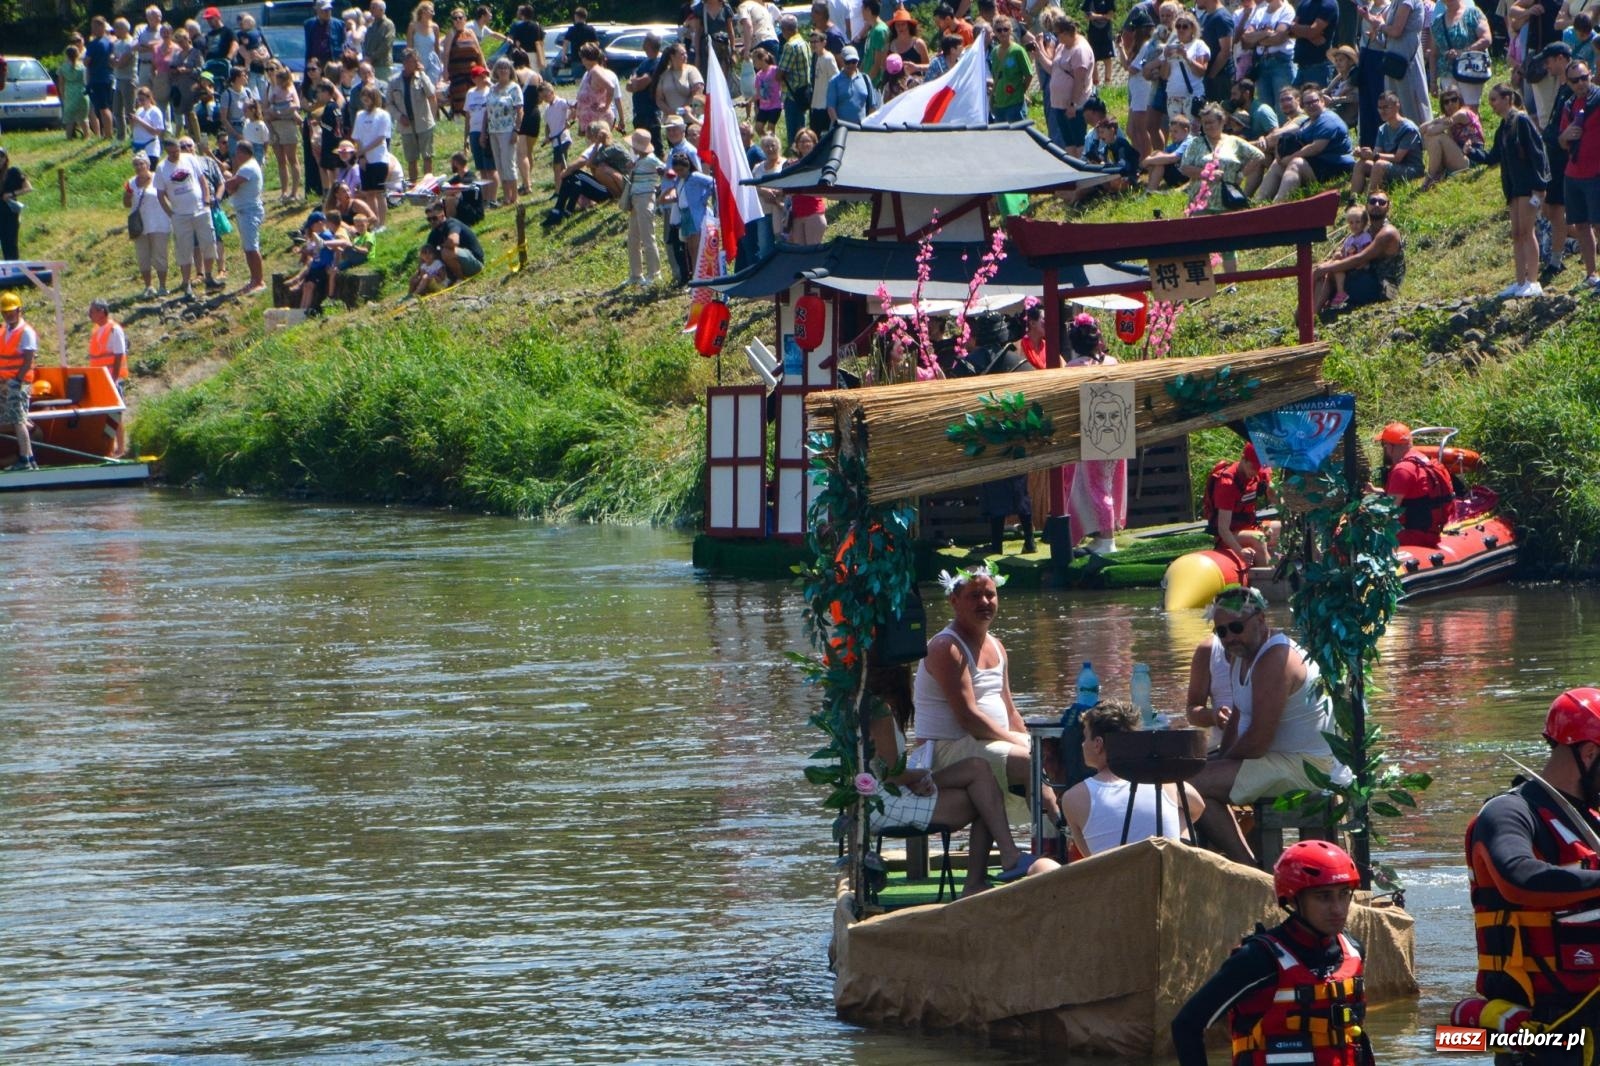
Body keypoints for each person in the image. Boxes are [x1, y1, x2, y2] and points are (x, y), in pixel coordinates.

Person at [1461, 688, 1600, 1061]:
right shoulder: (1509, 813)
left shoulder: (1594, 822)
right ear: (1589, 754)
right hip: (1542, 1029)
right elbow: (1518, 878)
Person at [1171, 841, 1368, 1066]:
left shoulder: (1353, 950)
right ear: (1293, 900)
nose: (1338, 909)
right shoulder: (1257, 959)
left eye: (1343, 894)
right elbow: (1186, 1025)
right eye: (1323, 897)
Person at [1189, 585, 1347, 864]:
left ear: (1260, 620)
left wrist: (1217, 767)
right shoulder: (1245, 656)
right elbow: (1238, 720)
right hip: (1279, 759)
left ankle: (1249, 869)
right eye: (1221, 632)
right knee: (1191, 772)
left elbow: (1259, 740)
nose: (1229, 638)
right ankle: (1246, 862)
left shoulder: (1275, 659)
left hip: (1308, 767)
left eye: (1236, 627)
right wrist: (1220, 759)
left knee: (1192, 784)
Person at [864, 665, 1044, 895]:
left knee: (978, 770)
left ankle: (1002, 861)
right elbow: (893, 775)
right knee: (986, 799)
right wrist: (920, 775)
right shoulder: (881, 712)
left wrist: (920, 777)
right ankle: (991, 870)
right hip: (886, 804)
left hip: (892, 793)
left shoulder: (865, 706)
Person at [911, 565, 1060, 826]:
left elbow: (1010, 710)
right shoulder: (947, 647)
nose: (984, 602)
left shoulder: (996, 645)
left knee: (1056, 752)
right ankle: (1053, 840)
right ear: (953, 601)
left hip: (984, 744)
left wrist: (1031, 738)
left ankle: (1065, 844)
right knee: (1029, 760)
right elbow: (969, 718)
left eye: (990, 595)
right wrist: (1021, 744)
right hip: (944, 752)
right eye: (974, 595)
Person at [1063, 700, 1206, 857]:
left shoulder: (1073, 798)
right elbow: (1198, 806)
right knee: (1179, 812)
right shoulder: (1165, 782)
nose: (1083, 745)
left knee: (1043, 865)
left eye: (1085, 737)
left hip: (1117, 877)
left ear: (1098, 744)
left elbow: (1089, 857)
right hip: (1164, 872)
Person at [1060, 314, 1127, 554]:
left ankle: (1107, 539)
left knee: (1097, 487)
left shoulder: (1073, 368)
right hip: (1117, 428)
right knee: (1108, 483)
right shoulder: (1112, 362)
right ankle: (1103, 534)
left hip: (1094, 429)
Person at [1481, 83, 1552, 298]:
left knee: (1527, 231)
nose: (1491, 104)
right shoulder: (1503, 127)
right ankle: (1520, 281)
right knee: (1516, 234)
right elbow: (1493, 157)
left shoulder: (1521, 121)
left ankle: (1533, 280)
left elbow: (1538, 153)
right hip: (1513, 188)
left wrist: (1540, 186)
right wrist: (1470, 152)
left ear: (1507, 98)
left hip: (1528, 185)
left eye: (1494, 99)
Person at [1255, 88, 1354, 201]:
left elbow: (1315, 148)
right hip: (1317, 166)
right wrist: (1280, 157)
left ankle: (1279, 203)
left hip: (1335, 167)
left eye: (1314, 101)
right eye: (1307, 103)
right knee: (1277, 165)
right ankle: (1259, 202)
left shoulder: (1328, 120)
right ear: (1303, 106)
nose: (1311, 105)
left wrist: (1290, 158)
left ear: (1322, 101)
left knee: (1296, 163)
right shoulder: (1306, 122)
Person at [1315, 189, 1404, 308]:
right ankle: (1307, 316)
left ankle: (1311, 316)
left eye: (1382, 202)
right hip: (1367, 277)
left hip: (1385, 287)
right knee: (1322, 271)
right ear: (1367, 206)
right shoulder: (1365, 231)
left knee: (1329, 273)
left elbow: (1361, 258)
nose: (1377, 204)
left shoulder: (1388, 233)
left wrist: (1327, 267)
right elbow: (1348, 252)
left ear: (1388, 207)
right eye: (1373, 201)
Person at [154, 137, 218, 299]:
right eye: (171, 153)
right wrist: (171, 213)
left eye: (176, 151)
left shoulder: (189, 159)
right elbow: (160, 195)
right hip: (180, 214)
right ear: (166, 152)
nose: (175, 155)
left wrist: (207, 200)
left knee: (209, 242)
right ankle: (187, 283)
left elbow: (202, 180)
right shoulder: (162, 168)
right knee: (184, 249)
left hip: (200, 209)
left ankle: (209, 276)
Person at [1373, 421, 1455, 546]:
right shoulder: (1422, 459)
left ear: (1389, 446)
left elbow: (1389, 513)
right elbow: (1411, 496)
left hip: (1412, 536)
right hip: (1431, 531)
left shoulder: (1402, 470)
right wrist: (1374, 491)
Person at [1557, 61, 1600, 291]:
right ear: (1568, 83)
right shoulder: (1569, 105)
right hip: (1573, 173)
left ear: (1590, 75)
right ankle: (1591, 274)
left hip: (1596, 172)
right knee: (1581, 225)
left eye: (1584, 77)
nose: (1581, 83)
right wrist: (1566, 135)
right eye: (1575, 80)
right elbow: (1562, 142)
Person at [1181, 104, 1267, 213]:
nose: (1207, 126)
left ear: (1222, 121)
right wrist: (1207, 173)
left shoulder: (1234, 142)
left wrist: (1241, 175)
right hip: (1201, 207)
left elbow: (1259, 156)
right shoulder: (1196, 143)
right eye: (1204, 123)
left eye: (1211, 122)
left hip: (1228, 204)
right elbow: (1184, 168)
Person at [1203, 441, 1277, 563]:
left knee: (1282, 528)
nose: (1254, 472)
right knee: (1259, 538)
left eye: (1258, 469)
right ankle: (1271, 577)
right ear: (1243, 459)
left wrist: (1274, 490)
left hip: (1251, 526)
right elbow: (1223, 529)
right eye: (1253, 467)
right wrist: (1240, 551)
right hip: (1229, 535)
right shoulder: (1227, 484)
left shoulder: (1259, 473)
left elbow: (1274, 497)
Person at [1349, 91, 1422, 195]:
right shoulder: (1382, 129)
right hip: (1389, 167)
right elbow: (1376, 155)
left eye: (1386, 107)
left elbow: (1398, 158)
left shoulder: (1409, 129)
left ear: (1397, 106)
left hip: (1411, 169)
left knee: (1379, 165)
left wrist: (1374, 156)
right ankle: (1353, 201)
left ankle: (1370, 201)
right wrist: (1363, 154)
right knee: (1361, 164)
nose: (1382, 111)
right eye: (1379, 108)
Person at [85, 299, 130, 457]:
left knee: (115, 414)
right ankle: (108, 448)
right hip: (101, 379)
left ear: (101, 311)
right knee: (105, 415)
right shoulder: (97, 330)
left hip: (112, 379)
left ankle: (120, 448)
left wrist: (114, 378)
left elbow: (119, 355)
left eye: (92, 311)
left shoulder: (114, 329)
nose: (89, 314)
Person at [1043, 16, 1094, 153]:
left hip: (1074, 106)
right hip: (1059, 104)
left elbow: (1079, 80)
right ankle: (1074, 169)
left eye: (1057, 33)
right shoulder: (1062, 46)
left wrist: (1073, 104)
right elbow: (1053, 69)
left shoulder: (1080, 50)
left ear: (1066, 33)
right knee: (1069, 143)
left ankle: (1083, 170)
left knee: (1079, 142)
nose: (1056, 37)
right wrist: (1038, 54)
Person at [1427, 0, 1492, 108]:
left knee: (1470, 110)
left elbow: (1486, 39)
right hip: (1446, 73)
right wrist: (1433, 82)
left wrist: (1462, 52)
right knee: (1451, 112)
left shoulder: (1473, 14)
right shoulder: (1437, 22)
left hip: (1470, 70)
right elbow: (1433, 54)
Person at [0, 291, 38, 471]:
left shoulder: (26, 332)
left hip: (18, 383)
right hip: (5, 383)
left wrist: (17, 380)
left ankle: (25, 459)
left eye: (11, 311)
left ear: (19, 310)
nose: (8, 315)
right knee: (13, 419)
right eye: (5, 312)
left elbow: (28, 359)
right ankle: (29, 457)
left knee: (18, 419)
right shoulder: (4, 331)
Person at [388, 49, 439, 184]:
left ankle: (429, 184)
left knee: (427, 156)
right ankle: (413, 186)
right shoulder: (394, 82)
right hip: (406, 125)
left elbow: (431, 92)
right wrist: (399, 117)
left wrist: (422, 73)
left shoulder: (421, 77)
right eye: (412, 61)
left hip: (423, 123)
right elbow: (389, 104)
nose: (415, 64)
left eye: (416, 61)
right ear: (405, 63)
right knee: (411, 158)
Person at [1242, 0, 1298, 121]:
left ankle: (1285, 138)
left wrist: (1257, 39)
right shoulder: (1260, 11)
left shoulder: (1287, 10)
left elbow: (1279, 37)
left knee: (1283, 106)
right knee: (1265, 108)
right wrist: (1265, 33)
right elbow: (1246, 37)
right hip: (1261, 63)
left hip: (1281, 62)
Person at [125, 152, 170, 297]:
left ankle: (162, 286)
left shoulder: (158, 178)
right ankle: (148, 286)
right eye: (136, 164)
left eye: (141, 164)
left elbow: (168, 196)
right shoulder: (131, 182)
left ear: (147, 165)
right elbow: (126, 204)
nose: (139, 167)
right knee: (143, 256)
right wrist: (128, 195)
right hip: (140, 225)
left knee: (160, 254)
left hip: (158, 222)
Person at [1419, 87, 1484, 188]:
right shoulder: (1449, 118)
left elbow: (1432, 130)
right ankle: (1436, 173)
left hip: (1471, 159)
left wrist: (1439, 121)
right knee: (1431, 136)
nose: (1450, 104)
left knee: (1438, 137)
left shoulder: (1461, 114)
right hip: (1459, 155)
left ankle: (1431, 176)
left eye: (1454, 100)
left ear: (1460, 100)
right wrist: (1437, 120)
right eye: (1446, 102)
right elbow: (1421, 129)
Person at [1381, 0, 1432, 124]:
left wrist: (1380, 25)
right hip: (1393, 63)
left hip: (1407, 63)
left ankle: (1418, 139)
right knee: (1394, 103)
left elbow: (1396, 30)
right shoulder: (1395, 2)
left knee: (1411, 104)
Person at [225, 142, 266, 295]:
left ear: (243, 153)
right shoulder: (247, 166)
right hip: (245, 211)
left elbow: (232, 185)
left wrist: (226, 177)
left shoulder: (248, 167)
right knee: (248, 248)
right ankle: (254, 279)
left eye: (237, 153)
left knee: (252, 248)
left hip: (249, 211)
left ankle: (258, 281)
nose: (235, 156)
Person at [625, 127, 664, 287]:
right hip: (636, 199)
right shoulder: (641, 159)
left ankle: (654, 274)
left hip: (645, 198)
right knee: (633, 238)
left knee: (648, 237)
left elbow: (666, 170)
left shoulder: (651, 160)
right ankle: (636, 274)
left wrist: (658, 187)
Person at [1316, 203, 1373, 309]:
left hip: (1359, 264)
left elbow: (1366, 251)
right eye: (1351, 223)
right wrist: (1339, 254)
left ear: (1364, 223)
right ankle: (1327, 296)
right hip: (1349, 263)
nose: (1354, 225)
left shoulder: (1365, 237)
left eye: (1357, 222)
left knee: (1336, 266)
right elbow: (1343, 251)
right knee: (1334, 261)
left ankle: (1340, 292)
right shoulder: (1350, 239)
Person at [484, 59, 523, 208]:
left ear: (510, 70)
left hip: (508, 130)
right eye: (500, 68)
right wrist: (484, 131)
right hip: (493, 130)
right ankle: (506, 195)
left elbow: (520, 110)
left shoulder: (514, 88)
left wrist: (516, 130)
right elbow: (487, 111)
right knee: (499, 165)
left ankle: (515, 196)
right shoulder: (492, 89)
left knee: (509, 163)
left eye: (506, 68)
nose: (503, 71)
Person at [424, 197, 484, 282]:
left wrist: (440, 247)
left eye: (434, 218)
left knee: (446, 252)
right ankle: (450, 279)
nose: (432, 222)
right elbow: (427, 252)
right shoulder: (434, 233)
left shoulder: (451, 223)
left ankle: (461, 279)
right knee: (431, 255)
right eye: (429, 219)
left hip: (475, 263)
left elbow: (453, 242)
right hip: (460, 263)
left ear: (442, 215)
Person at [443, 8, 485, 118]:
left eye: (460, 18)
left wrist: (484, 68)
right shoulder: (451, 34)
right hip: (457, 74)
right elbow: (446, 54)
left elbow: (479, 51)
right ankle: (461, 120)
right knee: (461, 100)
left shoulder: (470, 32)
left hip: (472, 73)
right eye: (455, 18)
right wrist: (445, 71)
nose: (458, 20)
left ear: (465, 19)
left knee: (475, 98)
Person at [988, 17, 1033, 121]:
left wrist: (1021, 91)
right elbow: (996, 77)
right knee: (1001, 136)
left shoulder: (1018, 51)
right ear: (994, 32)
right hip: (999, 104)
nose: (1003, 33)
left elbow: (1029, 75)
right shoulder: (994, 52)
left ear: (1011, 30)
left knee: (1018, 135)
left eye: (1006, 29)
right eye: (999, 30)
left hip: (1015, 104)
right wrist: (992, 99)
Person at [1291, 0, 1339, 87]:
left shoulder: (1328, 4)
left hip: (1319, 67)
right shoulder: (1304, 3)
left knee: (1316, 99)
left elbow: (1312, 31)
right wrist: (1309, 33)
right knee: (1295, 99)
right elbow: (1291, 30)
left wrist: (1302, 31)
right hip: (1301, 66)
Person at [574, 43, 620, 134]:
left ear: (586, 58)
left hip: (598, 122)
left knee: (598, 147)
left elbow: (611, 87)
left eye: (582, 57)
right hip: (590, 123)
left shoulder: (596, 71)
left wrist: (606, 106)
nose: (581, 60)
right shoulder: (590, 72)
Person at [827, 46, 878, 124]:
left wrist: (867, 125)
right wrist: (837, 125)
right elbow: (831, 108)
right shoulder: (834, 81)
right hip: (842, 130)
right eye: (848, 62)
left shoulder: (865, 79)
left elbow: (873, 106)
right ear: (842, 60)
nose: (851, 65)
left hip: (860, 129)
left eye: (854, 61)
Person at [87, 16, 116, 140]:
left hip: (98, 78)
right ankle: (107, 132)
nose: (92, 29)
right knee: (107, 106)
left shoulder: (94, 44)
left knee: (103, 108)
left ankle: (108, 134)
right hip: (109, 77)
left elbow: (87, 61)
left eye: (94, 26)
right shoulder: (110, 42)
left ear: (100, 27)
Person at [541, 83, 574, 190]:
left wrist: (568, 120)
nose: (545, 99)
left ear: (552, 92)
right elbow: (547, 125)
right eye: (543, 97)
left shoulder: (561, 102)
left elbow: (574, 108)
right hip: (555, 141)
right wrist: (547, 136)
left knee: (557, 165)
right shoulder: (547, 108)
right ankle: (566, 187)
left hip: (563, 139)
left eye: (546, 96)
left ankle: (559, 190)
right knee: (562, 165)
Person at [809, 30, 841, 132]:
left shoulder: (828, 58)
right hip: (816, 104)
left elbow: (836, 79)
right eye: (811, 42)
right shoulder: (816, 57)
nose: (813, 44)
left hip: (825, 105)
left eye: (816, 42)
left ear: (824, 43)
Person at [305, 0, 348, 68]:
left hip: (335, 63)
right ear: (317, 11)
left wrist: (341, 60)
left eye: (329, 9)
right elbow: (309, 45)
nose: (327, 12)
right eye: (324, 10)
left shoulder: (339, 24)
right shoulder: (309, 24)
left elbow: (345, 44)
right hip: (317, 64)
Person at [60, 45, 90, 141]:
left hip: (70, 92)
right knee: (83, 117)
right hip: (82, 92)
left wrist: (62, 95)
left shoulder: (63, 68)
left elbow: (61, 84)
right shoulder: (83, 66)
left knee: (69, 118)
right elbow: (87, 80)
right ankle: (86, 136)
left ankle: (69, 138)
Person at [508, 4, 547, 71]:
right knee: (534, 75)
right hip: (534, 54)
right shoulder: (537, 26)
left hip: (522, 55)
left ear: (522, 14)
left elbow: (517, 43)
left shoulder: (517, 26)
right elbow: (540, 42)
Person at [365, 0, 396, 83]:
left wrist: (372, 57)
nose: (371, 10)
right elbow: (366, 43)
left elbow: (387, 44)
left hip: (383, 65)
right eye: (370, 7)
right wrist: (366, 58)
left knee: (383, 88)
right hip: (370, 65)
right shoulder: (371, 25)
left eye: (373, 8)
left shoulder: (388, 25)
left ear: (381, 10)